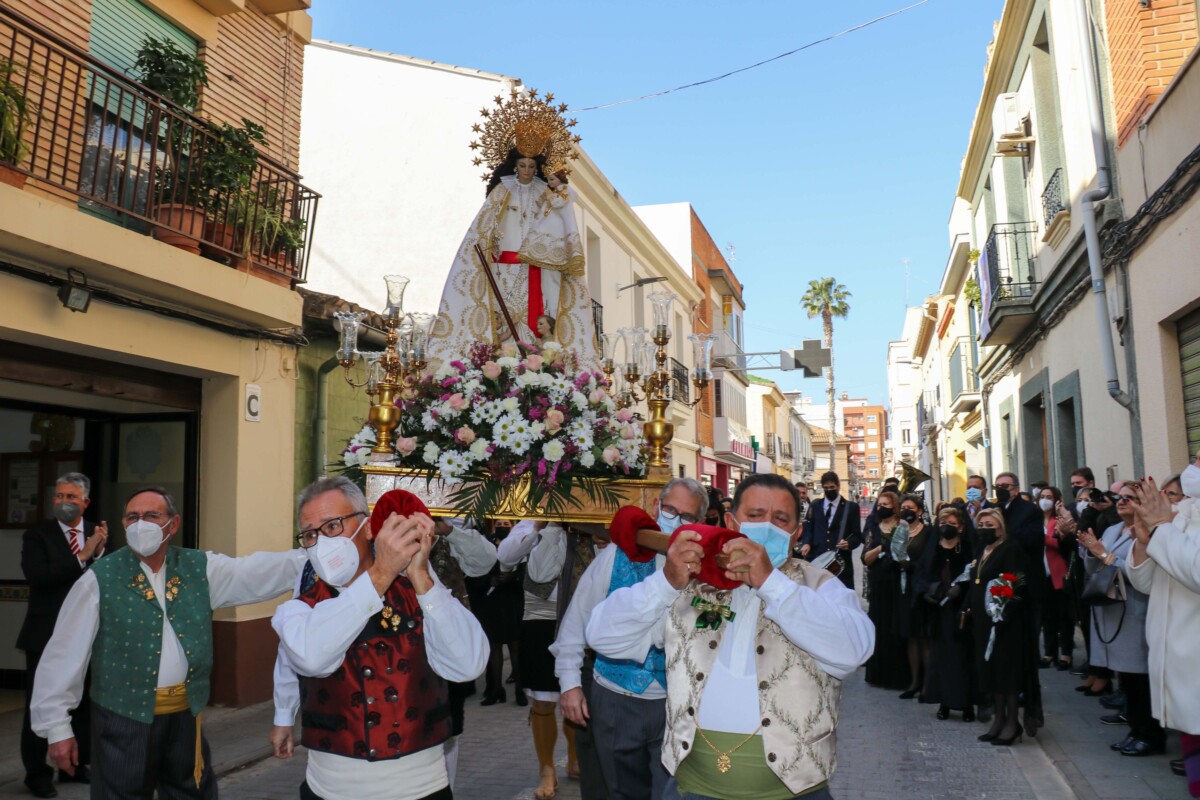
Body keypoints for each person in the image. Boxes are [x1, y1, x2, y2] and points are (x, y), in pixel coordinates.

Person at [587, 472, 874, 800]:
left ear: (796, 533)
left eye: (780, 519)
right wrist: (664, 583)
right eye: (755, 516)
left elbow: (854, 649)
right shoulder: (691, 584)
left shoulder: (820, 587)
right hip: (691, 789)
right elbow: (602, 636)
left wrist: (770, 582)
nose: (767, 526)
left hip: (796, 792)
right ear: (731, 522)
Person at [31, 486, 307, 799]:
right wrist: (57, 728)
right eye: (132, 517)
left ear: (172, 525)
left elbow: (257, 571)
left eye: (151, 516)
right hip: (123, 720)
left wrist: (316, 556)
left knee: (191, 793)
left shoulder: (200, 568)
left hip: (185, 717)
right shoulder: (100, 578)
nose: (140, 524)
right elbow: (64, 656)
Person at [269, 483, 488, 800]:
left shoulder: (422, 592)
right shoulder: (298, 609)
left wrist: (422, 578)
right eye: (311, 534)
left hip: (422, 789)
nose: (322, 542)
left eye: (332, 526)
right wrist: (283, 716)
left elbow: (468, 664)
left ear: (369, 526)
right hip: (332, 791)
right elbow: (310, 657)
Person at [552, 478, 707, 800]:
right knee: (618, 791)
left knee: (674, 792)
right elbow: (576, 622)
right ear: (656, 508)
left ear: (700, 523)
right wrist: (570, 684)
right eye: (670, 510)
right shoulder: (616, 556)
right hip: (615, 697)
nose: (676, 520)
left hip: (676, 705)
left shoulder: (707, 574)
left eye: (688, 516)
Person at [427, 99, 597, 368]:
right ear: (514, 165)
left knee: (537, 316)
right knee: (502, 316)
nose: (527, 171)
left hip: (537, 267)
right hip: (502, 267)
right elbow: (482, 228)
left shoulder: (545, 192)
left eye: (532, 165)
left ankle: (534, 364)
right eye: (522, 165)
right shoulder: (502, 191)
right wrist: (489, 243)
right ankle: (502, 364)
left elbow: (561, 223)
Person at [19, 473, 107, 798]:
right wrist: (83, 556)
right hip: (44, 635)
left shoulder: (98, 533)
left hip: (87, 634)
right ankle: (36, 773)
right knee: (41, 705)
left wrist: (97, 553)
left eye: (71, 497)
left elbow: (106, 577)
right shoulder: (37, 536)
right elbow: (39, 577)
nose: (64, 502)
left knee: (81, 702)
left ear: (85, 502)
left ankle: (74, 765)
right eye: (59, 496)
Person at [498, 520, 588, 799]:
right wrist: (545, 526)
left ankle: (575, 760)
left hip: (584, 620)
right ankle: (546, 769)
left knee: (579, 695)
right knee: (544, 699)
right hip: (541, 620)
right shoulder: (533, 525)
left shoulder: (590, 524)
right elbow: (508, 558)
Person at [1128, 461, 1200, 793]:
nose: (1194, 464)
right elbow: (1146, 583)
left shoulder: (1171, 520)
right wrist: (1144, 542)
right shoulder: (1182, 513)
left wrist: (1161, 527)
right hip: (1177, 662)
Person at [1079, 482, 1164, 757]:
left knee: (1141, 680)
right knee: (1127, 679)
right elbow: (1095, 565)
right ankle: (1136, 729)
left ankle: (1150, 734)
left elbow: (1136, 573)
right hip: (1113, 611)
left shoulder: (1149, 532)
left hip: (1137, 611)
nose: (1123, 502)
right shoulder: (1114, 529)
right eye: (1120, 498)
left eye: (1130, 498)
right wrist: (1092, 553)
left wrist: (1102, 554)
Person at [426, 514, 498, 787]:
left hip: (449, 639)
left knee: (449, 726)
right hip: (403, 642)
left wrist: (447, 530)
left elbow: (485, 560)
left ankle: (446, 789)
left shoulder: (453, 524)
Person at [967, 509, 1031, 746]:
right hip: (984, 622)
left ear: (1001, 527)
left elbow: (1016, 583)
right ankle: (998, 719)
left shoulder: (1010, 549)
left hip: (1006, 622)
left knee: (1007, 674)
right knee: (992, 672)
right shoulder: (981, 550)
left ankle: (1013, 723)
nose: (984, 528)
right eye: (981, 524)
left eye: (990, 524)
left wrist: (1002, 611)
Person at [914, 507, 975, 721]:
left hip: (961, 611)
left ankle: (966, 703)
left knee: (963, 659)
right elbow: (921, 574)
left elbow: (976, 576)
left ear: (961, 526)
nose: (946, 526)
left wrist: (963, 591)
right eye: (942, 522)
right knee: (941, 658)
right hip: (938, 611)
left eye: (951, 522)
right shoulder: (933, 548)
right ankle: (944, 703)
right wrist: (925, 593)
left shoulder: (968, 548)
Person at [860, 490, 910, 690]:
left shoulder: (902, 526)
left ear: (894, 506)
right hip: (879, 583)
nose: (881, 508)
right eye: (879, 504)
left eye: (885, 504)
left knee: (895, 627)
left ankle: (899, 676)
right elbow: (865, 558)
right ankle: (878, 674)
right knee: (879, 626)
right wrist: (881, 547)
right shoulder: (874, 528)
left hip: (897, 583)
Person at [897, 494, 934, 700]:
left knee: (924, 638)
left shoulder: (928, 532)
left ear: (919, 511)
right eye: (903, 508)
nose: (906, 511)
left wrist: (911, 565)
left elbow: (930, 561)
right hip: (904, 588)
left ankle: (928, 684)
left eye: (910, 508)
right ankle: (914, 682)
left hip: (922, 588)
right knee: (911, 636)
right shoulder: (900, 531)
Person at [800, 471, 862, 591]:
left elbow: (857, 536)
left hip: (841, 564)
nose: (829, 490)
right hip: (818, 560)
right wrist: (806, 542)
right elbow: (808, 527)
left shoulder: (851, 508)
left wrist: (849, 544)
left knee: (842, 599)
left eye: (832, 487)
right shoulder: (815, 505)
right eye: (826, 488)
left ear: (838, 486)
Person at [1037, 486, 1074, 671]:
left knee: (1063, 616)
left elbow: (1060, 543)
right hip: (1041, 574)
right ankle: (1049, 652)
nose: (1045, 500)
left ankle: (1066, 653)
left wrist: (1042, 537)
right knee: (1047, 616)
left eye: (1049, 497)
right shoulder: (1035, 519)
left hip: (1058, 572)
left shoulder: (1059, 519)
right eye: (1042, 496)